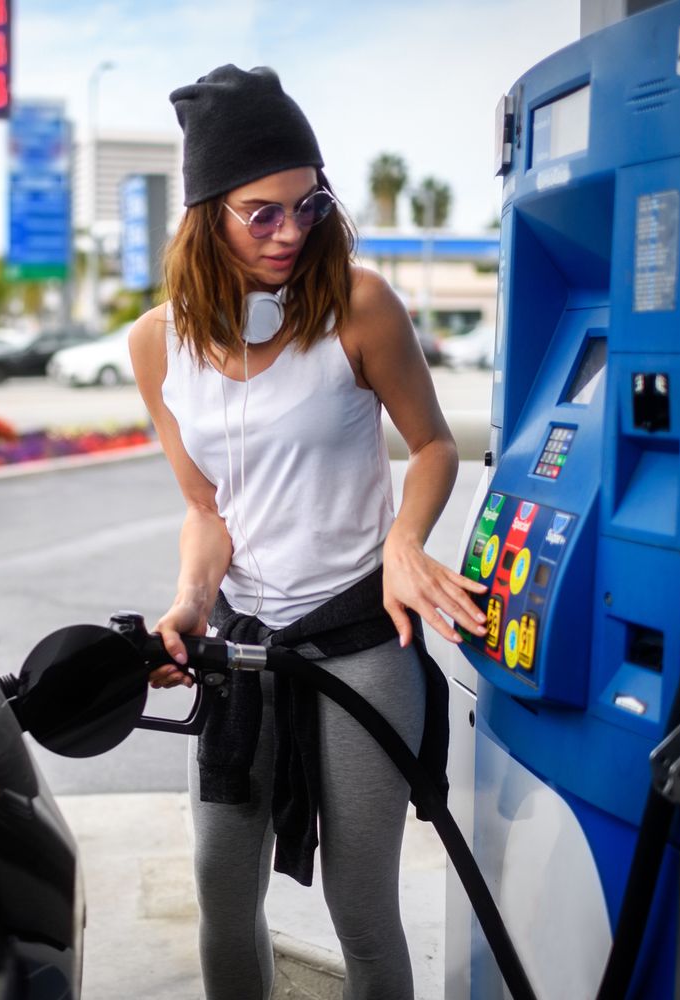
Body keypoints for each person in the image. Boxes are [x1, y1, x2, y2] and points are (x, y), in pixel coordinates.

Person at [127, 64, 488, 1000]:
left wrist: (406, 543)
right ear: (208, 213)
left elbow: (435, 445)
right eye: (262, 213)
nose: (291, 232)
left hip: (363, 637)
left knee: (362, 909)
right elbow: (209, 511)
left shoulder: (359, 306)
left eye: (309, 205)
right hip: (243, 649)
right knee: (221, 889)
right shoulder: (156, 343)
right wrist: (190, 605)